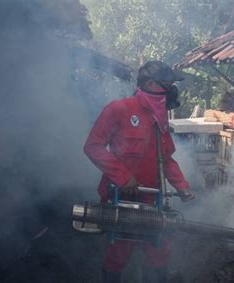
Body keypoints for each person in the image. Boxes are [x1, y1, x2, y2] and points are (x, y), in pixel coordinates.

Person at [84, 61, 195, 283]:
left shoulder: (160, 118)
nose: (173, 90)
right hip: (122, 198)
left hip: (153, 200)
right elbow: (93, 147)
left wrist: (181, 185)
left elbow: (166, 158)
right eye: (169, 84)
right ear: (152, 84)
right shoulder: (119, 109)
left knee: (159, 250)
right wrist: (123, 177)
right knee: (119, 251)